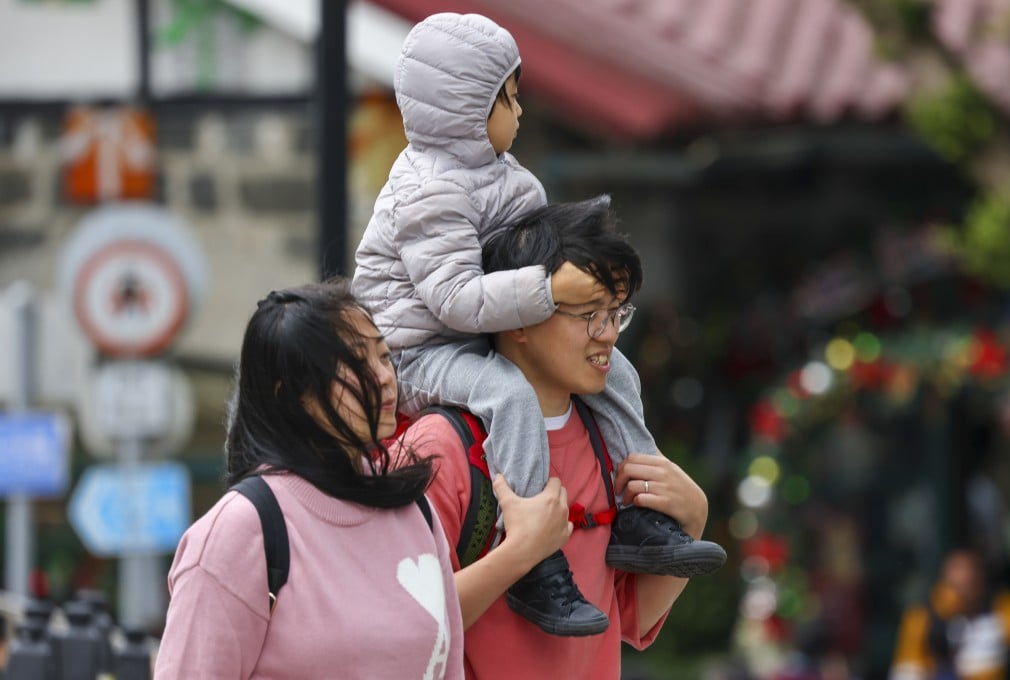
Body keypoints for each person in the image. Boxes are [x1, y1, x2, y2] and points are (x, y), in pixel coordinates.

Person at [352, 11, 724, 636]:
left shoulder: (511, 178)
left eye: (613, 313)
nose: (521, 112)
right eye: (510, 97)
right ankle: (534, 557)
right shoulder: (425, 190)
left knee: (622, 375)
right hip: (419, 348)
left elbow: (630, 624)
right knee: (509, 395)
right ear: (467, 107)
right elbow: (455, 300)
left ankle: (642, 510)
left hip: (480, 335)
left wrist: (692, 514)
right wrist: (549, 289)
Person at [395, 198, 710, 677]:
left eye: (616, 312)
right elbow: (397, 626)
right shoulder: (441, 447)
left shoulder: (607, 437)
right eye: (588, 313)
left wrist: (694, 520)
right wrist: (520, 554)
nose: (607, 334)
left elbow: (624, 616)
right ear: (518, 314)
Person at [153, 279, 464, 679]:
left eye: (384, 356)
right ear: (293, 394)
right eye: (356, 364)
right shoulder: (241, 531)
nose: (384, 377)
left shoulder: (414, 510)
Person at [889, 548, 1010, 680]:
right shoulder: (921, 617)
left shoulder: (1001, 607)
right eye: (957, 587)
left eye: (970, 584)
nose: (963, 594)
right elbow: (906, 671)